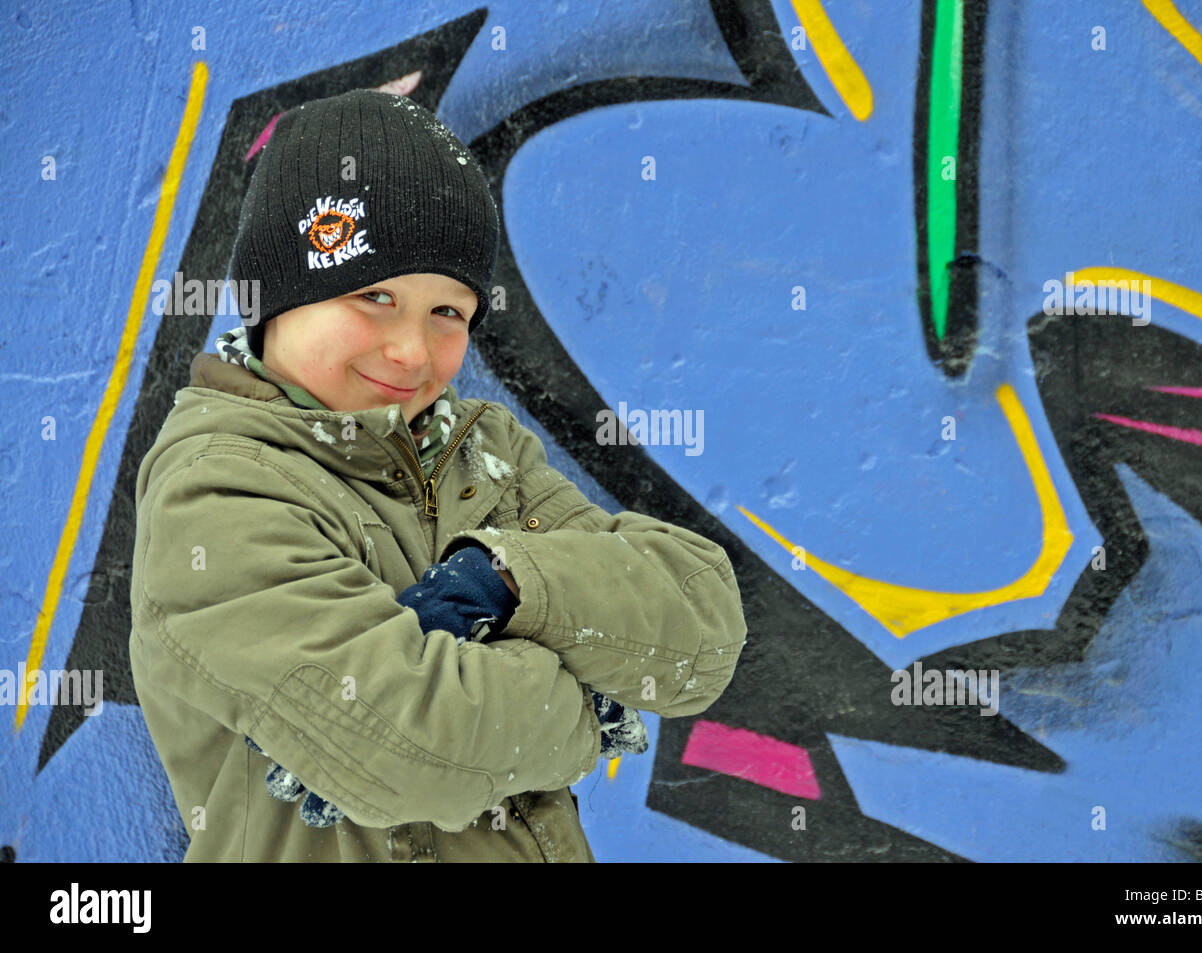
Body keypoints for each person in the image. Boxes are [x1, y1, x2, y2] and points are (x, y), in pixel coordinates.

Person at [128, 88, 748, 862]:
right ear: (279, 295)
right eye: (375, 296)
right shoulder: (216, 492)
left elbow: (700, 627)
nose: (413, 353)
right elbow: (409, 749)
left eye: (447, 313)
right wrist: (590, 692)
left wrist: (505, 576)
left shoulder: (481, 451)